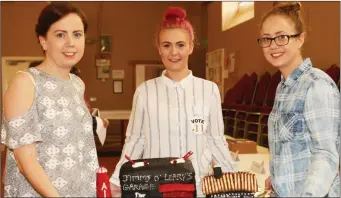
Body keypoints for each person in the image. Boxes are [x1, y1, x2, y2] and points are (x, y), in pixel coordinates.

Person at [109, 6, 235, 196]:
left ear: (191, 47)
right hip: (155, 185)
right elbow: (135, 140)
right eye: (167, 45)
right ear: (159, 49)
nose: (173, 52)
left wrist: (230, 174)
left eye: (180, 45)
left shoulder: (209, 90)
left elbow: (215, 139)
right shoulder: (145, 91)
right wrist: (117, 178)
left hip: (198, 185)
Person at [1, 2, 99, 197]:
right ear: (44, 40)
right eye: (60, 35)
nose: (71, 42)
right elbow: (24, 160)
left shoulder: (77, 84)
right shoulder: (26, 82)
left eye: (77, 34)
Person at [257, 2, 340, 197]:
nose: (273, 45)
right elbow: (291, 146)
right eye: (266, 39)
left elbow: (326, 155)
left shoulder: (316, 85)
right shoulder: (282, 87)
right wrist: (277, 177)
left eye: (282, 37)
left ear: (300, 39)